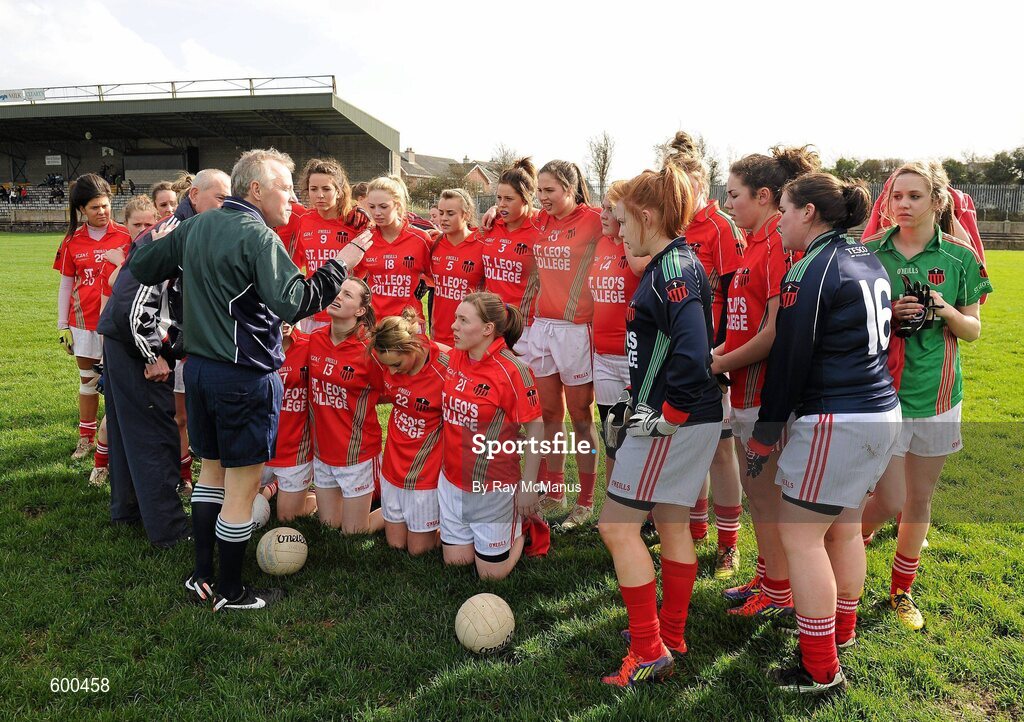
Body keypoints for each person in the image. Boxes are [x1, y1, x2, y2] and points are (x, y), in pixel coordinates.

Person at [129, 148, 371, 611]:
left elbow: (142, 266)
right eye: (286, 187)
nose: (293, 199)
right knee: (240, 487)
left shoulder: (198, 223)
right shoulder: (258, 235)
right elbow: (294, 303)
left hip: (197, 371)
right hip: (241, 378)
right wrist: (341, 263)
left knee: (211, 476)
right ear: (255, 190)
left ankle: (201, 576)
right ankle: (231, 591)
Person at [746, 172, 901, 693]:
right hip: (879, 410)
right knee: (844, 524)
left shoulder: (811, 268)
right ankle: (843, 632)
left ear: (808, 213)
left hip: (839, 417)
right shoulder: (866, 257)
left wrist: (765, 435)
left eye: (785, 210)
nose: (780, 220)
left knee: (801, 537)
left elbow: (790, 359)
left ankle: (819, 667)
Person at [597, 159, 722, 687]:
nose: (619, 230)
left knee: (616, 527)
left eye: (623, 220)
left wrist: (663, 417)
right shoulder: (675, 261)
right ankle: (670, 631)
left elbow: (694, 354)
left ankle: (649, 648)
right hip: (686, 417)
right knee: (671, 521)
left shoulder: (673, 270)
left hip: (672, 421)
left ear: (647, 216)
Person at [860, 161, 992, 630]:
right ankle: (851, 542)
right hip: (881, 395)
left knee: (919, 499)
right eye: (896, 196)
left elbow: (973, 329)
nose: (903, 205)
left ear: (938, 201)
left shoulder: (960, 256)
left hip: (937, 396)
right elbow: (852, 324)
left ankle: (901, 590)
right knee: (886, 499)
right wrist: (889, 312)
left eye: (915, 196)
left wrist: (944, 310)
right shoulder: (869, 251)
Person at [711, 146, 820, 617]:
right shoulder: (754, 241)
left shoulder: (776, 242)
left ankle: (778, 593)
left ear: (764, 195)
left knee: (765, 494)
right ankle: (768, 574)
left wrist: (717, 364)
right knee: (762, 496)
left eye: (733, 194)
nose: (727, 203)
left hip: (762, 391)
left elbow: (774, 332)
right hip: (742, 384)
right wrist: (720, 355)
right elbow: (745, 320)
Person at [98, 169, 231, 547]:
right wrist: (152, 353)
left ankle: (127, 510)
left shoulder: (186, 228)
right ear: (195, 194)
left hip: (125, 342)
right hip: (136, 346)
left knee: (127, 433)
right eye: (220, 197)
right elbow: (133, 300)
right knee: (155, 434)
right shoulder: (174, 233)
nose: (226, 205)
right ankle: (170, 530)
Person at [664, 132, 747, 578]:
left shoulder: (719, 228)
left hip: (713, 360)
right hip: (674, 358)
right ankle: (694, 531)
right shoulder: (666, 224)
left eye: (683, 181)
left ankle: (729, 543)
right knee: (684, 447)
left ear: (700, 180)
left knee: (719, 452)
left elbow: (737, 298)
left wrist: (721, 357)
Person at [440, 292, 548, 579]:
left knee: (490, 576)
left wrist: (528, 485)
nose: (454, 326)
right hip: (451, 481)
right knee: (456, 562)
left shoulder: (514, 371)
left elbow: (537, 429)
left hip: (492, 488)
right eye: (455, 318)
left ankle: (523, 527)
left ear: (488, 329)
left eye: (463, 320)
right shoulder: (454, 357)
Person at [529, 160, 602, 515]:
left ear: (570, 190)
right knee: (548, 413)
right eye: (539, 190)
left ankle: (585, 501)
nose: (542, 197)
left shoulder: (593, 220)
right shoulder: (539, 220)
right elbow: (508, 216)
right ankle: (555, 492)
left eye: (550, 191)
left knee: (581, 417)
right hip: (541, 327)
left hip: (577, 330)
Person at [571, 180, 645, 531]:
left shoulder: (639, 250)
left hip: (635, 358)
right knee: (612, 435)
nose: (602, 215)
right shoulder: (599, 242)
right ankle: (614, 507)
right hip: (603, 356)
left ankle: (646, 513)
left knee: (640, 439)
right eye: (601, 208)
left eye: (610, 211)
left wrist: (627, 242)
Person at [53, 173, 132, 459]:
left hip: (119, 323)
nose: (102, 212)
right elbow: (65, 284)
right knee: (88, 380)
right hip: (83, 323)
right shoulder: (72, 240)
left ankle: (117, 438)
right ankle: (86, 438)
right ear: (82, 210)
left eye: (105, 205)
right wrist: (63, 325)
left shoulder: (126, 234)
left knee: (120, 382)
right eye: (94, 208)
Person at [89, 195, 159, 486]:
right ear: (126, 225)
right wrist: (105, 355)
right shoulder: (115, 256)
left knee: (155, 413)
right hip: (123, 346)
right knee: (114, 414)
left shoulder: (165, 252)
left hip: (156, 345)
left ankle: (152, 470)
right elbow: (109, 305)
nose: (143, 228)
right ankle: (101, 465)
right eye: (136, 224)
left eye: (149, 223)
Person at [307, 278, 387, 534]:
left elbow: (389, 391)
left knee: (353, 533)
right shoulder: (315, 338)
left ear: (360, 310)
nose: (337, 296)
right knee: (329, 526)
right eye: (336, 291)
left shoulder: (371, 350)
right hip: (322, 451)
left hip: (357, 455)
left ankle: (401, 506)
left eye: (347, 295)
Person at [369, 309, 448, 555]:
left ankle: (454, 531)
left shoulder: (445, 365)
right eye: (386, 366)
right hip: (393, 464)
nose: (391, 373)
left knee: (417, 551)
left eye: (396, 365)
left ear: (412, 346)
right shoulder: (387, 360)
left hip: (425, 472)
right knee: (396, 545)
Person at [291, 157, 370, 333]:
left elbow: (365, 270)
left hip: (346, 314)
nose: (319, 195)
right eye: (314, 189)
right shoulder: (304, 220)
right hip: (312, 311)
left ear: (339, 191)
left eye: (326, 189)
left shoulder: (355, 222)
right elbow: (296, 264)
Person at [479, 157, 540, 359]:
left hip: (524, 327)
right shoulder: (492, 224)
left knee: (525, 386)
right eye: (498, 199)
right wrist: (494, 209)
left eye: (509, 199)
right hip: (490, 322)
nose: (502, 205)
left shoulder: (540, 227)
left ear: (526, 198)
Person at [263, 321, 317, 521]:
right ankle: (274, 486)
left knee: (287, 517)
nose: (285, 320)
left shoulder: (311, 345)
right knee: (243, 508)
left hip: (295, 449)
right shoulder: (252, 344)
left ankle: (321, 497)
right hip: (259, 447)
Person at [360, 175, 433, 319]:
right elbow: (352, 278)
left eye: (383, 206)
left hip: (408, 324)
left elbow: (438, 279)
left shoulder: (420, 239)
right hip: (375, 323)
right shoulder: (365, 238)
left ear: (398, 205)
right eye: (372, 207)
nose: (377, 213)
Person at [430, 188, 485, 346]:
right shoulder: (434, 244)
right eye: (441, 213)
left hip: (471, 336)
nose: (444, 219)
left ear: (466, 215)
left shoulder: (482, 244)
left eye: (450, 213)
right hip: (439, 335)